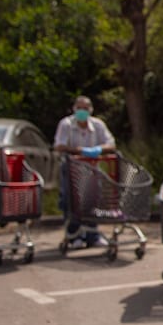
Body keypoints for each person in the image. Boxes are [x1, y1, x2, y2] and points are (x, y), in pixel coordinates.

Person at [53, 95, 116, 249]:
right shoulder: (66, 124)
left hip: (92, 169)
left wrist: (97, 150)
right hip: (71, 168)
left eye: (85, 108)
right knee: (71, 201)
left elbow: (111, 144)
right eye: (79, 108)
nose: (82, 111)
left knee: (92, 200)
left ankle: (92, 235)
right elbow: (59, 146)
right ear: (74, 109)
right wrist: (79, 151)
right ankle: (74, 235)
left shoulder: (98, 125)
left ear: (91, 110)